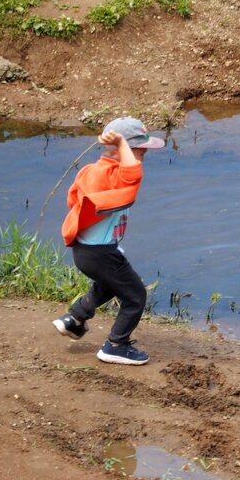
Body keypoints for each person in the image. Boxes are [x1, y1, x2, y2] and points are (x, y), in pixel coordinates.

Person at [53, 116, 164, 365]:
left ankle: (74, 319)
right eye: (140, 151)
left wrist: (123, 148)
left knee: (112, 284)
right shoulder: (114, 175)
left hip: (87, 250)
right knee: (135, 296)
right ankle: (116, 345)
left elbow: (73, 200)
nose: (143, 157)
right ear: (123, 151)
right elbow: (132, 175)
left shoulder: (93, 171)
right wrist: (124, 147)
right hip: (99, 253)